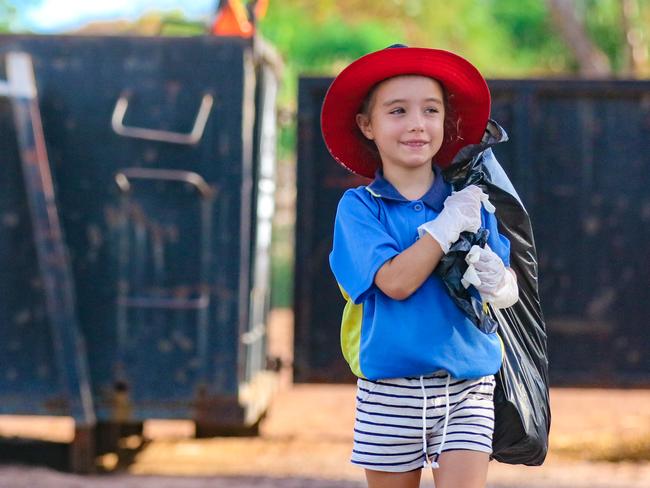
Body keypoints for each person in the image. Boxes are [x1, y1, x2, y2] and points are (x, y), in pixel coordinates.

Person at [323, 45, 519, 488]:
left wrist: (498, 281)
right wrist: (444, 226)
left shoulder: (472, 201)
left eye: (430, 110)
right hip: (389, 393)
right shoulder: (359, 209)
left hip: (468, 387)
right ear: (366, 125)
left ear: (445, 123)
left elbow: (507, 289)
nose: (416, 123)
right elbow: (395, 282)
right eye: (397, 111)